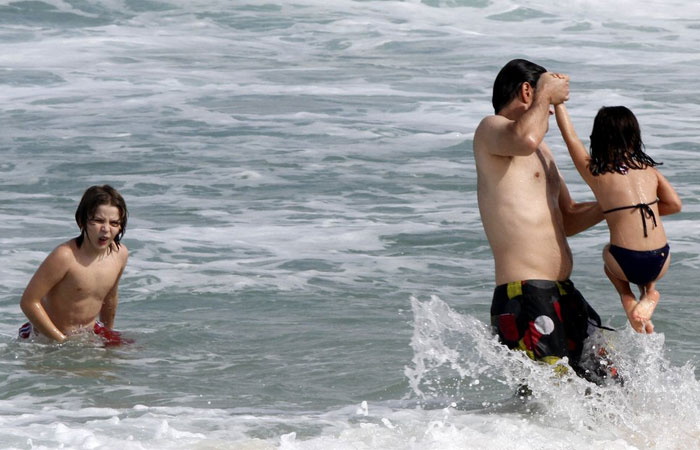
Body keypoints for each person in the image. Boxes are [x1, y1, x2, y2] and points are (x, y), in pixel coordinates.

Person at [473, 59, 611, 382]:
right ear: (527, 91)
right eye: (547, 103)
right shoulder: (490, 130)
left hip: (562, 293)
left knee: (611, 385)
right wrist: (546, 92)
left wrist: (616, 205)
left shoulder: (542, 151)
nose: (550, 111)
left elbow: (569, 217)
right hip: (524, 296)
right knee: (551, 402)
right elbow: (525, 138)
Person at [555, 104, 681, 334]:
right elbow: (675, 205)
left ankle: (628, 297)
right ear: (634, 138)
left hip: (625, 263)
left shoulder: (596, 172)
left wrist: (558, 103)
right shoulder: (649, 170)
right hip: (662, 260)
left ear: (598, 139)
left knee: (607, 255)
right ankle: (649, 293)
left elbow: (570, 137)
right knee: (646, 256)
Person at [19, 185, 129, 346]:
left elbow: (110, 297)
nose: (105, 229)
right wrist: (60, 341)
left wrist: (107, 335)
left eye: (114, 223)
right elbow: (29, 302)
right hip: (47, 335)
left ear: (120, 227)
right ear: (82, 221)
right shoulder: (65, 256)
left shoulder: (120, 255)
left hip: (88, 332)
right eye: (98, 221)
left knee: (132, 354)